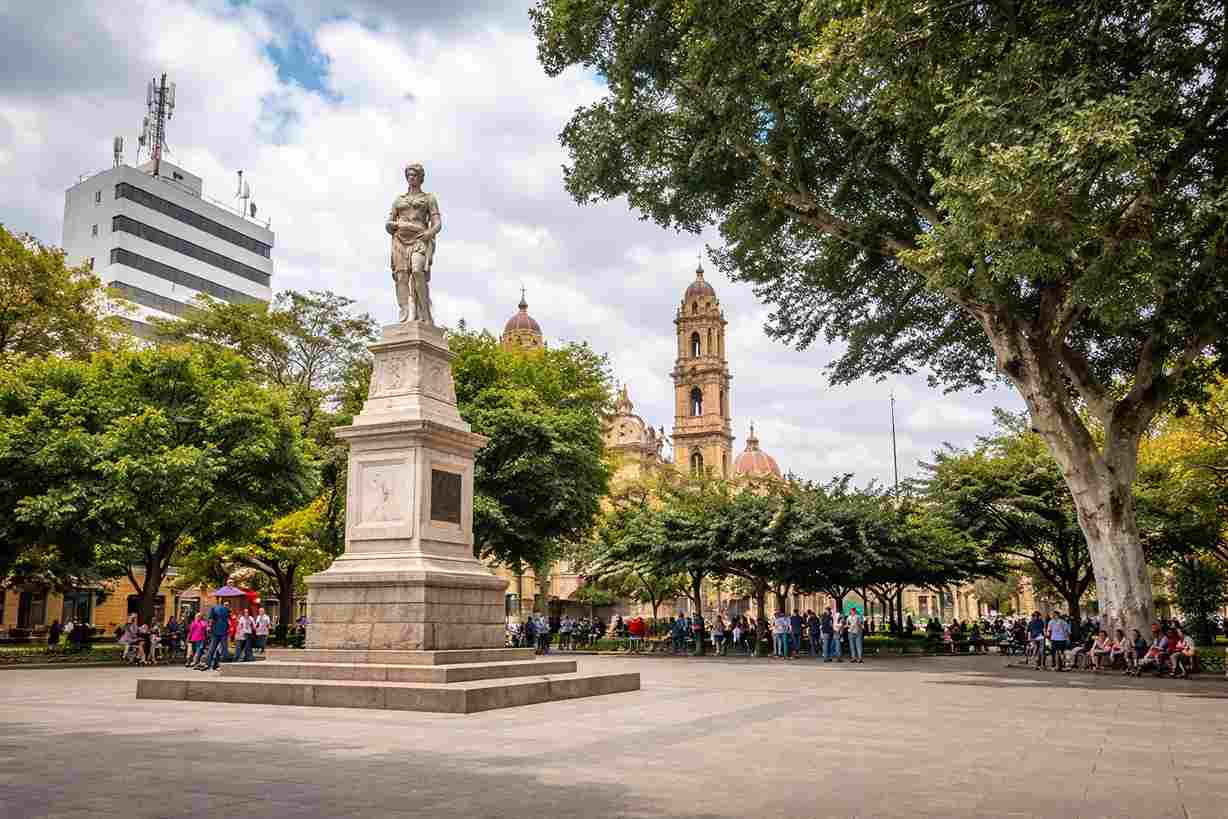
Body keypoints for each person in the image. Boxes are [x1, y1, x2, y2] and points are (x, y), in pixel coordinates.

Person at [200, 600, 232, 671]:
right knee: (224, 649)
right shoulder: (227, 610)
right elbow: (229, 620)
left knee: (212, 648)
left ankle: (207, 664)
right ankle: (224, 664)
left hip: (215, 631)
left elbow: (210, 619)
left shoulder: (213, 608)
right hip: (223, 631)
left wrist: (209, 627)